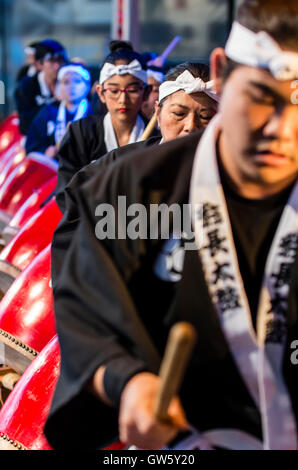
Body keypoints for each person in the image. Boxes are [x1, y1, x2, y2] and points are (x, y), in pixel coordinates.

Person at [45, 0, 298, 450]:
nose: (279, 128)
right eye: (261, 97)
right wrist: (127, 379)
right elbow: (86, 304)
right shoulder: (130, 184)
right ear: (222, 72)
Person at [55, 40, 159, 204]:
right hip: (90, 225)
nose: (122, 99)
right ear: (101, 93)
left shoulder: (157, 139)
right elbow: (66, 194)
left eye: (132, 89)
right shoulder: (81, 133)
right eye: (114, 90)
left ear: (145, 92)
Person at [25, 63, 93, 158]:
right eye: (66, 82)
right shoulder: (47, 112)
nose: (71, 87)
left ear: (87, 86)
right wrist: (44, 152)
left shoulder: (95, 113)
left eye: (77, 81)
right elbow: (31, 146)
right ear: (59, 86)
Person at [15, 39, 68, 135]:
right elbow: (25, 126)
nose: (57, 66)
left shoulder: (71, 82)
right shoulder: (26, 86)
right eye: (52, 61)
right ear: (39, 64)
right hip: (37, 139)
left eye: (60, 60)